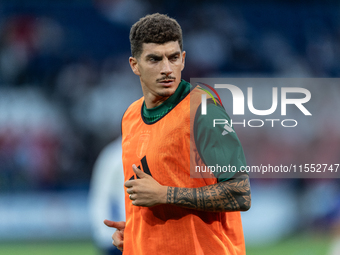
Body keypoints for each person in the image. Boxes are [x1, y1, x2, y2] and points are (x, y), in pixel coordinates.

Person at [104, 13, 251, 255]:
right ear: (134, 65)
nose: (166, 69)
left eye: (173, 58)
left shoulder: (202, 109)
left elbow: (240, 193)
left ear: (183, 60)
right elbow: (150, 194)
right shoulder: (130, 116)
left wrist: (165, 194)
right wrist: (139, 232)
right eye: (154, 59)